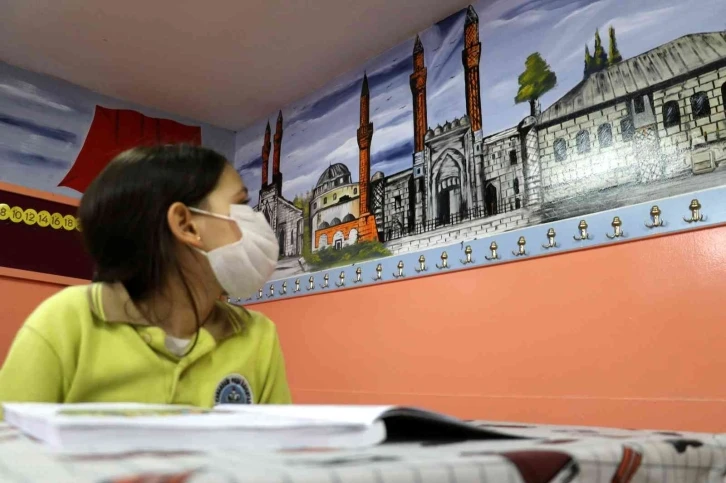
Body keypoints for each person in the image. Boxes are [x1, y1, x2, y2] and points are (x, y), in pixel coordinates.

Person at [0, 144, 291, 406]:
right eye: (240, 204)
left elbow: (279, 446)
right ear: (186, 225)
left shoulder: (257, 335)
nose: (256, 220)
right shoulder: (69, 320)